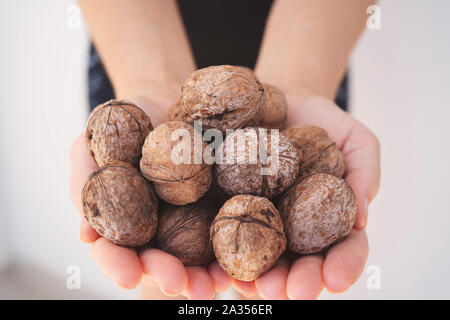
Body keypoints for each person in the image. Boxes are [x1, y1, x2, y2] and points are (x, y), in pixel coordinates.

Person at [70, 0, 380, 300]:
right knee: (164, 284)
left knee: (272, 292)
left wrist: (301, 80)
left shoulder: (274, 124)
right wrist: (149, 79)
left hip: (308, 46)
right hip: (133, 40)